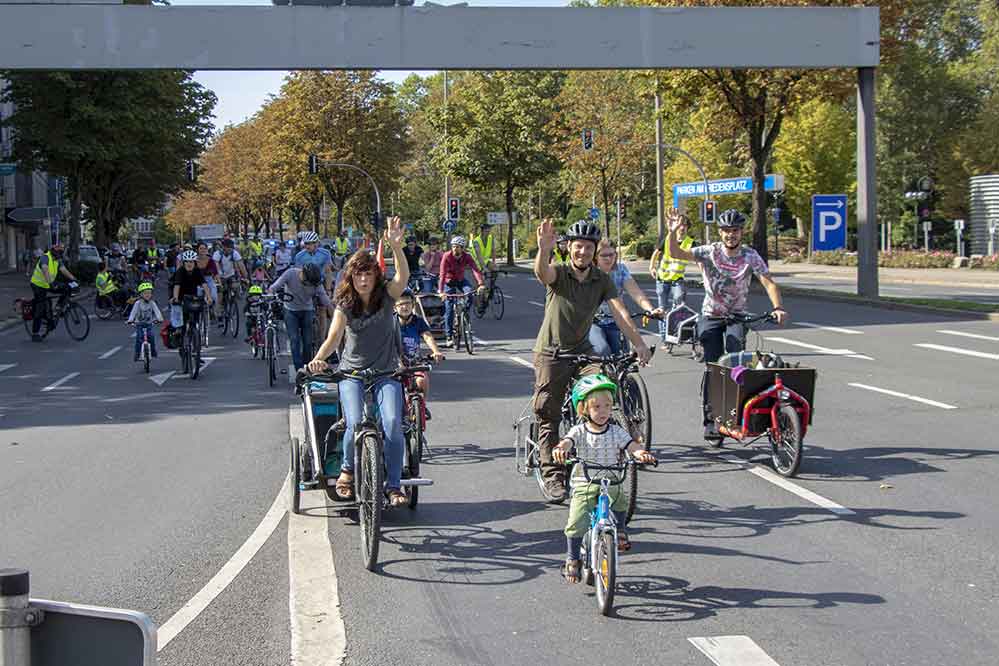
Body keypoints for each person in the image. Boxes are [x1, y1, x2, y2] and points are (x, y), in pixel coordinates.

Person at [531, 219, 652, 501]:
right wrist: (543, 249)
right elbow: (542, 273)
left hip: (583, 350)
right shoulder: (559, 273)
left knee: (599, 392)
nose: (582, 252)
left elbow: (620, 312)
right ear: (569, 248)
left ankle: (597, 459)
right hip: (552, 351)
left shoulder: (601, 279)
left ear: (595, 250)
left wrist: (639, 343)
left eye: (588, 247)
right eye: (577, 247)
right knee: (548, 414)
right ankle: (553, 475)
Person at [307, 216, 410, 507]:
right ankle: (347, 471)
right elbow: (332, 338)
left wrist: (396, 247)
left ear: (376, 276)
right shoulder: (345, 306)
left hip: (385, 373)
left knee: (391, 423)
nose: (363, 280)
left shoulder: (388, 296)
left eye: (368, 275)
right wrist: (317, 360)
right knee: (353, 422)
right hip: (351, 374)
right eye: (358, 276)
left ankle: (392, 485)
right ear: (351, 279)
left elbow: (403, 278)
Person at [665, 208, 788, 440]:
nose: (730, 235)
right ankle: (711, 421)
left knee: (736, 365)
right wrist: (672, 232)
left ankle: (737, 417)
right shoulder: (708, 251)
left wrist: (778, 308)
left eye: (735, 230)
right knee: (714, 368)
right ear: (720, 232)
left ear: (741, 232)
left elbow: (769, 284)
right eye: (726, 231)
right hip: (711, 315)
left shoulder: (750, 256)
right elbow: (675, 253)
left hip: (737, 316)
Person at [553, 375, 657, 582]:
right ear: (584, 409)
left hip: (611, 479)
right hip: (585, 481)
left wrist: (640, 453)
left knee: (620, 499)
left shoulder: (616, 431)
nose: (603, 412)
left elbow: (631, 445)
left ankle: (620, 531)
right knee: (576, 520)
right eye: (597, 407)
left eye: (608, 406)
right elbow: (567, 442)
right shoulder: (580, 431)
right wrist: (560, 449)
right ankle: (572, 558)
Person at [589, 239, 663, 357]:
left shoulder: (620, 269)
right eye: (604, 255)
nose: (608, 258)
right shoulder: (589, 272)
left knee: (622, 358)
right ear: (595, 257)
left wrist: (650, 309)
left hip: (617, 321)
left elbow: (635, 292)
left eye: (611, 254)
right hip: (594, 322)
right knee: (601, 351)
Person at [269, 262, 331, 371]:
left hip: (307, 310)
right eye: (307, 283)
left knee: (308, 341)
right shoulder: (290, 273)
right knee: (294, 340)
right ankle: (299, 369)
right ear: (302, 273)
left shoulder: (316, 282)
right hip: (290, 310)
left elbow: (325, 300)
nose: (308, 285)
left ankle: (307, 367)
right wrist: (270, 292)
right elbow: (275, 285)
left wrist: (336, 315)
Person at [395, 288, 445, 411]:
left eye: (407, 303)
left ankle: (423, 406)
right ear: (394, 307)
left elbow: (427, 336)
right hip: (395, 362)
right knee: (396, 390)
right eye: (400, 304)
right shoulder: (391, 322)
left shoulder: (418, 321)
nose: (404, 307)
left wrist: (436, 351)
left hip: (414, 360)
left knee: (422, 380)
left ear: (413, 304)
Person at [650, 212, 695, 349]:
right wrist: (652, 266)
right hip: (662, 279)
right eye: (680, 224)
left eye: (685, 225)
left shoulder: (691, 243)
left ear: (687, 227)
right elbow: (656, 253)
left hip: (677, 280)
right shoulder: (669, 239)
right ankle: (665, 340)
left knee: (678, 307)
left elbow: (699, 258)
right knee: (662, 310)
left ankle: (675, 334)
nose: (682, 227)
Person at [437, 236, 486, 346]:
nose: (455, 249)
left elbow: (475, 270)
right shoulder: (447, 256)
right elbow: (442, 274)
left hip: (460, 280)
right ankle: (449, 336)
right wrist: (441, 291)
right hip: (448, 282)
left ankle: (464, 314)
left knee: (469, 294)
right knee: (449, 307)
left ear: (462, 248)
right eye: (453, 246)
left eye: (458, 247)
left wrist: (481, 283)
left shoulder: (467, 256)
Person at [29, 243, 78, 342]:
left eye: (61, 252)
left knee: (66, 288)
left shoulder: (57, 260)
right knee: (41, 306)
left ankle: (58, 308)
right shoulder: (45, 257)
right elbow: (45, 269)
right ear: (53, 251)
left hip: (48, 283)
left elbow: (64, 270)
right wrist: (51, 283)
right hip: (38, 285)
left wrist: (75, 279)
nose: (59, 254)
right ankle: (35, 333)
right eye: (58, 252)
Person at [128, 281, 163, 361]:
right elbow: (133, 312)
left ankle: (153, 352)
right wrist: (130, 320)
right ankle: (137, 355)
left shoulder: (152, 303)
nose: (147, 295)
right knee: (139, 338)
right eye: (145, 293)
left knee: (151, 336)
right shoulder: (137, 303)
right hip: (139, 324)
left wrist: (159, 318)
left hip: (149, 324)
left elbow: (157, 311)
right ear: (141, 294)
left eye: (149, 293)